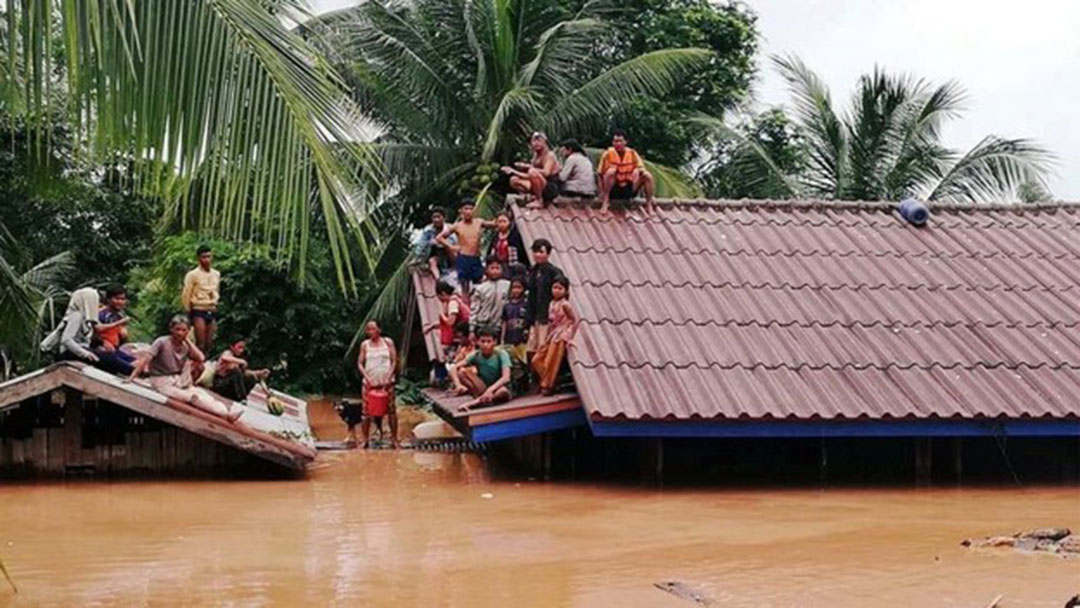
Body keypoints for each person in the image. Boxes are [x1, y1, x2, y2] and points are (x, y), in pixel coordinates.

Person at [128, 315, 242, 422]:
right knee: (193, 397)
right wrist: (132, 377)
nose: (180, 333)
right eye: (177, 329)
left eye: (184, 330)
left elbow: (201, 358)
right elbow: (145, 360)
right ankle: (225, 415)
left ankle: (227, 412)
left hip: (178, 380)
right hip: (161, 381)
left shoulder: (185, 346)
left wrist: (187, 341)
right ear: (171, 329)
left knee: (204, 395)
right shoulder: (161, 342)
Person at [531, 276, 578, 395]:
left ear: (566, 291)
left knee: (551, 360)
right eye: (554, 287)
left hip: (561, 334)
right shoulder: (551, 303)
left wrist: (570, 336)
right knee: (536, 359)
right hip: (553, 333)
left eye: (560, 288)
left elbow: (574, 320)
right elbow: (551, 323)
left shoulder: (565, 305)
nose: (556, 290)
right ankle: (547, 381)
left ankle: (548, 385)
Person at [356, 320, 399, 449]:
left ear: (379, 330)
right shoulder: (365, 345)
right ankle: (365, 439)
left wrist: (389, 375)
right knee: (366, 412)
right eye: (368, 329)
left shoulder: (388, 342)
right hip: (369, 384)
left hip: (387, 383)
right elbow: (359, 363)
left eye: (373, 329)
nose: (370, 332)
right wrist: (367, 378)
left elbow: (394, 361)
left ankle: (394, 439)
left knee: (391, 411)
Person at [449, 327, 512, 410]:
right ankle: (482, 398)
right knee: (461, 372)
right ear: (478, 342)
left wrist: (491, 390)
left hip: (499, 387)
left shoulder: (501, 354)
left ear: (494, 342)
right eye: (482, 341)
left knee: (502, 392)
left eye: (489, 341)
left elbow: (506, 377)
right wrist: (458, 385)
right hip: (483, 387)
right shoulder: (476, 355)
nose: (485, 345)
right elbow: (454, 367)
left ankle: (475, 403)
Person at [596, 129, 656, 215]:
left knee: (647, 175)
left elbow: (641, 168)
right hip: (614, 189)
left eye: (620, 141)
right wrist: (601, 192)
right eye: (615, 141)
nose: (618, 144)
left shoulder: (632, 153)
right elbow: (599, 174)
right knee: (611, 171)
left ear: (625, 142)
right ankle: (606, 201)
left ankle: (649, 205)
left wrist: (637, 170)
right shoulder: (607, 154)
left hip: (629, 187)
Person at [524, 238, 565, 359]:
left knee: (542, 348)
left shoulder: (554, 272)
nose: (537, 255)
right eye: (535, 252)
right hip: (534, 315)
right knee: (531, 348)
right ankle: (532, 376)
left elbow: (561, 292)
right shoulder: (532, 270)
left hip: (547, 316)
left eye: (541, 252)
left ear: (548, 254)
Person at [423, 280, 470, 384]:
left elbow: (450, 321)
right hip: (458, 335)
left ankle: (449, 381)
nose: (439, 300)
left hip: (459, 336)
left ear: (443, 294)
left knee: (451, 359)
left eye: (439, 296)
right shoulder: (456, 299)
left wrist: (442, 315)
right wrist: (432, 327)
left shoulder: (453, 303)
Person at [501, 132, 560, 209]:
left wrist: (529, 168)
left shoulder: (549, 155)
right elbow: (529, 175)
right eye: (534, 141)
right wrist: (513, 171)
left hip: (550, 187)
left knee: (532, 172)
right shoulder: (535, 156)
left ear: (544, 142)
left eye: (539, 140)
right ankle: (535, 196)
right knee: (514, 180)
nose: (536, 143)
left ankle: (539, 200)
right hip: (539, 183)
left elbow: (546, 173)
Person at [436, 200, 484, 295]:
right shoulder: (457, 226)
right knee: (464, 285)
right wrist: (452, 247)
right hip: (463, 258)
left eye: (471, 209)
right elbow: (439, 237)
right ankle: (466, 305)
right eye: (466, 209)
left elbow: (494, 224)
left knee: (479, 283)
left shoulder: (479, 222)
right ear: (461, 211)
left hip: (476, 257)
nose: (469, 211)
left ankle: (477, 304)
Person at [181, 245, 221, 354]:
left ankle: (205, 364)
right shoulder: (192, 274)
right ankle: (196, 365)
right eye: (204, 257)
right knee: (200, 342)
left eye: (209, 256)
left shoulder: (216, 274)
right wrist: (187, 311)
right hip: (198, 308)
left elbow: (217, 290)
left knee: (210, 342)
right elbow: (186, 293)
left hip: (211, 308)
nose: (207, 259)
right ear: (199, 258)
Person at [93, 284, 136, 375]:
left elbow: (120, 336)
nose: (120, 302)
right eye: (117, 299)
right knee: (132, 369)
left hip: (115, 350)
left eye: (123, 299)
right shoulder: (101, 314)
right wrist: (102, 342)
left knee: (138, 363)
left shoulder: (118, 315)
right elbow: (93, 331)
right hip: (102, 350)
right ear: (108, 299)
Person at [501, 277, 529, 394]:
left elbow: (529, 321)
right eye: (514, 288)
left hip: (522, 339)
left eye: (519, 287)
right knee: (512, 364)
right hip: (510, 339)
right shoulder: (506, 306)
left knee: (524, 363)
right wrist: (502, 339)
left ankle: (526, 385)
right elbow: (503, 323)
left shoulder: (526, 304)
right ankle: (516, 388)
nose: (516, 290)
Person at [469, 257, 510, 337]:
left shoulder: (508, 286)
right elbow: (474, 309)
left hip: (499, 326)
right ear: (486, 270)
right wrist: (472, 329)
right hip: (482, 325)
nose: (495, 271)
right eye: (492, 268)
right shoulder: (481, 288)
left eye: (497, 268)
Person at [414, 207, 458, 279]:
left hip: (449, 255)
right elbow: (421, 246)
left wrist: (442, 242)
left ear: (444, 218)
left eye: (438, 217)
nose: (436, 220)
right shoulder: (428, 230)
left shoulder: (450, 229)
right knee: (432, 262)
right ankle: (439, 280)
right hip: (435, 255)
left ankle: (455, 268)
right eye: (434, 217)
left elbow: (455, 244)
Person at [485, 210, 529, 281]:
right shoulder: (496, 237)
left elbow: (521, 252)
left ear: (509, 222)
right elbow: (490, 252)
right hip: (499, 267)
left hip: (512, 266)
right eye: (500, 221)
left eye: (504, 221)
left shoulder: (514, 236)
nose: (502, 224)